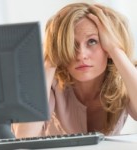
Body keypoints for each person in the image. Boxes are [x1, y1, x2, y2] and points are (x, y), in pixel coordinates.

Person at [11, 2, 137, 138]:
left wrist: (115, 49)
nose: (81, 55)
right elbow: (22, 137)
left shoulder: (127, 76)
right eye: (70, 44)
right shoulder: (50, 82)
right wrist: (50, 59)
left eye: (92, 41)